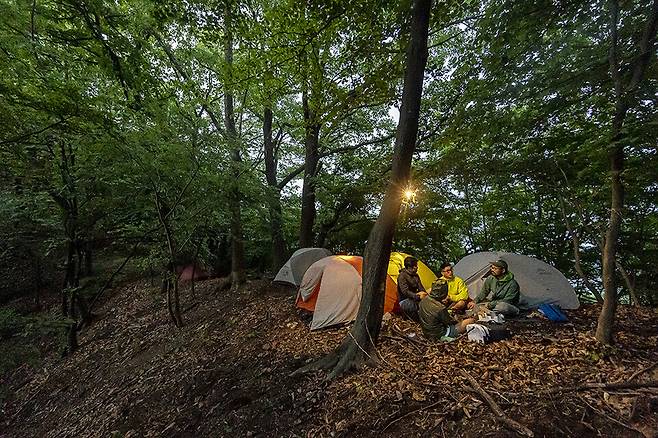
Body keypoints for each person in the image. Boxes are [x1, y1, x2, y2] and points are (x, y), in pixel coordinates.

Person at [397, 256, 427, 321]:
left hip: (415, 298)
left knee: (428, 301)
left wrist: (425, 295)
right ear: (410, 267)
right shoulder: (402, 276)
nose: (417, 267)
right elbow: (405, 291)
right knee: (420, 305)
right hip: (404, 300)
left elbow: (421, 287)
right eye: (416, 265)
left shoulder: (416, 276)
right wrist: (417, 296)